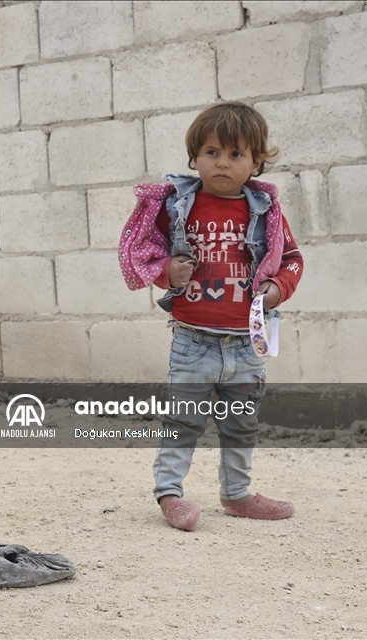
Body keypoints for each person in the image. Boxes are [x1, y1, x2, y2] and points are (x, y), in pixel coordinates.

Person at [118, 101, 304, 532]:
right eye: (211, 152)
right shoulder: (177, 206)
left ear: (257, 161)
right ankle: (170, 495)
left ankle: (237, 494)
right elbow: (145, 252)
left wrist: (278, 289)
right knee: (183, 419)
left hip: (246, 342)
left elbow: (292, 259)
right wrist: (167, 272)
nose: (222, 162)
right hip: (192, 341)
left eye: (236, 154)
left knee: (241, 423)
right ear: (195, 157)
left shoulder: (266, 211)